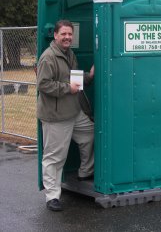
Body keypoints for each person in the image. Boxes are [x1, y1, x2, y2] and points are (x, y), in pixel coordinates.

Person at [37, 19, 94, 212]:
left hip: (73, 110)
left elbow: (73, 78)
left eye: (70, 34)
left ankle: (85, 171)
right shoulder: (49, 57)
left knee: (90, 134)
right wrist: (66, 88)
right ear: (55, 35)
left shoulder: (69, 54)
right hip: (56, 115)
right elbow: (43, 85)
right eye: (63, 34)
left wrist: (89, 77)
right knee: (54, 157)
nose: (67, 37)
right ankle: (52, 197)